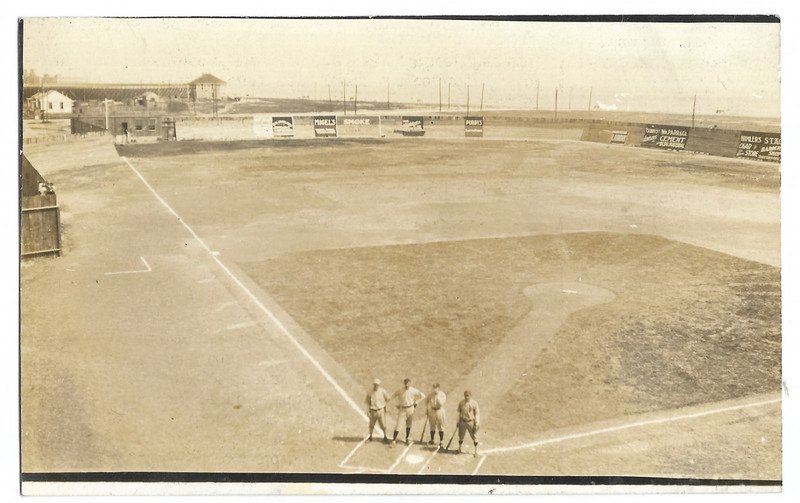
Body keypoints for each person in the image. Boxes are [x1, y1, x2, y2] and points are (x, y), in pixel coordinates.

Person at [390, 378, 425, 446]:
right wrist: (397, 404)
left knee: (409, 424)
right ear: (404, 384)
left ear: (410, 384)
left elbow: (423, 396)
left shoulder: (413, 390)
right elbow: (393, 396)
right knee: (398, 425)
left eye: (408, 384)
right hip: (402, 410)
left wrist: (417, 402)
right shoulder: (400, 390)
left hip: (410, 409)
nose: (407, 385)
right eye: (406, 384)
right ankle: (393, 440)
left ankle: (407, 438)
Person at [365, 378, 390, 443]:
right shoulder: (370, 392)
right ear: (373, 384)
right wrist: (367, 411)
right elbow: (367, 402)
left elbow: (388, 398)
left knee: (383, 425)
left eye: (377, 385)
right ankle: (370, 437)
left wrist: (384, 405)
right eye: (375, 384)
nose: (376, 386)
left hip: (380, 411)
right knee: (371, 425)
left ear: (379, 385)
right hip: (373, 411)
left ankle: (385, 436)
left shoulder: (383, 391)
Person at [456, 390, 480, 457]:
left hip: (470, 422)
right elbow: (458, 412)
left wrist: (477, 423)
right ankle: (459, 448)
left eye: (468, 396)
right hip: (462, 421)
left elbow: (477, 414)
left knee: (474, 436)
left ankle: (476, 451)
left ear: (470, 396)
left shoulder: (474, 403)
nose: (467, 397)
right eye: (466, 396)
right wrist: (457, 421)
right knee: (461, 435)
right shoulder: (461, 403)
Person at [426, 383, 447, 448]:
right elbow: (427, 402)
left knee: (440, 426)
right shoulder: (430, 395)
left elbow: (441, 404)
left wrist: (437, 397)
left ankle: (441, 441)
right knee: (432, 426)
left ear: (438, 388)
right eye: (434, 388)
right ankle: (432, 439)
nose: (435, 389)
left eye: (436, 388)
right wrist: (427, 410)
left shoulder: (442, 395)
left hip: (439, 411)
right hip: (432, 411)